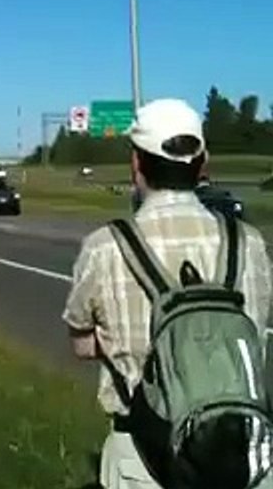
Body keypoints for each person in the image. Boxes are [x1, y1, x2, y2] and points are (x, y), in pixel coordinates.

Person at [63, 98, 273, 489]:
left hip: (144, 454)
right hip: (242, 449)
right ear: (203, 163)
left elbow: (80, 344)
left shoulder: (106, 246)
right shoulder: (249, 243)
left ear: (136, 165)